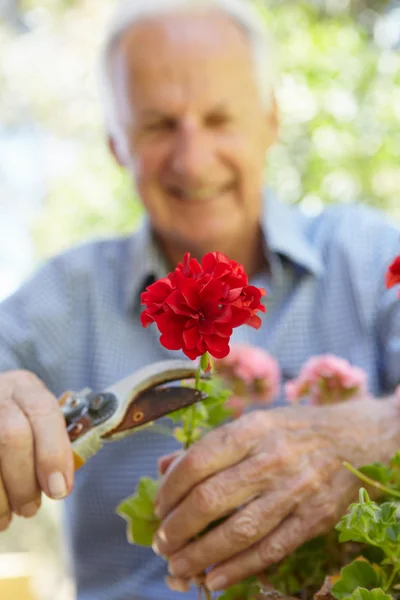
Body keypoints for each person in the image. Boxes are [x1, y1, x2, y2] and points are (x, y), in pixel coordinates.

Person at [0, 0, 399, 598]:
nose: (193, 158)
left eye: (220, 118)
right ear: (116, 142)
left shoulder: (368, 258)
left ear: (271, 119)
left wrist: (376, 432)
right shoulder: (64, 295)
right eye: (159, 125)